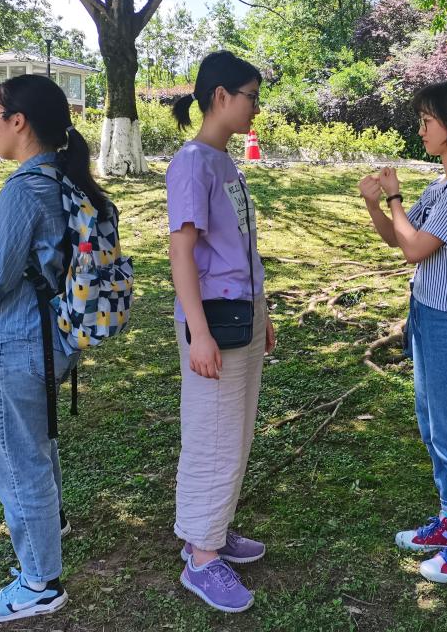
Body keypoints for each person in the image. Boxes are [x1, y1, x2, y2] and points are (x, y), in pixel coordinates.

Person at [0, 75, 110, 622]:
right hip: (57, 338)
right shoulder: (67, 181)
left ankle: (40, 583)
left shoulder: (24, 190)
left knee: (17, 460)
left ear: (18, 121)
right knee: (38, 446)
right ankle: (53, 523)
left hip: (19, 342)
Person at [358, 78, 447, 582]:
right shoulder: (440, 187)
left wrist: (395, 197)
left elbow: (416, 249)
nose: (420, 131)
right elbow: (398, 238)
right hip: (427, 314)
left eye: (426, 121)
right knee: (434, 425)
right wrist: (376, 204)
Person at [167, 51, 276, 613]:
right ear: (220, 97)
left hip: (243, 313)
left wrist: (263, 313)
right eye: (250, 97)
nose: (256, 107)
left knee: (234, 430)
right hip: (214, 320)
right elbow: (181, 253)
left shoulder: (223, 160)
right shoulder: (192, 163)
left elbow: (238, 249)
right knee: (211, 433)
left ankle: (214, 527)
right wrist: (199, 333)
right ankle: (202, 556)